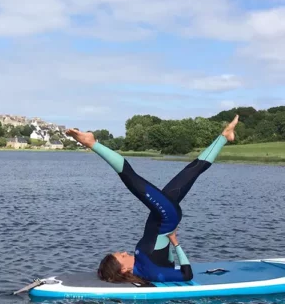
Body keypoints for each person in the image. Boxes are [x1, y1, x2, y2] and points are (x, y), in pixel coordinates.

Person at [65, 115, 239, 285]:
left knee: (191, 171)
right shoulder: (149, 271)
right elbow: (187, 274)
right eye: (122, 256)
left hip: (161, 214)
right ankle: (91, 143)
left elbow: (165, 258)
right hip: (166, 217)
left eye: (122, 253)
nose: (125, 252)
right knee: (131, 178)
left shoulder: (142, 263)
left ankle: (224, 136)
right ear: (124, 270)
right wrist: (175, 242)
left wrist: (169, 252)